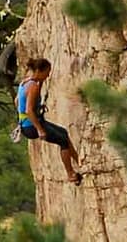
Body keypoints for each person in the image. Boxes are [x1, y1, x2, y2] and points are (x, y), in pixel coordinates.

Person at [17, 57, 83, 185]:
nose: (48, 76)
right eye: (47, 72)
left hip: (27, 124)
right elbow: (29, 110)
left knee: (63, 132)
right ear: (39, 71)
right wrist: (40, 130)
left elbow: (17, 101)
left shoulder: (25, 83)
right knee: (62, 140)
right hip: (32, 126)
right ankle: (70, 174)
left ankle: (79, 161)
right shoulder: (33, 87)